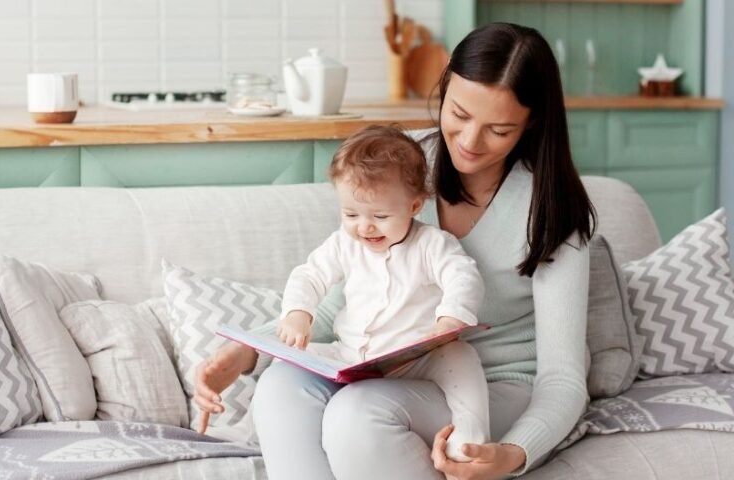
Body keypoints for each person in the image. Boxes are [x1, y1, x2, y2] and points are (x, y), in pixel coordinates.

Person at [193, 21, 596, 480]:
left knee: (357, 414)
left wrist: (514, 454)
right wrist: (250, 350)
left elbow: (564, 379)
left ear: (531, 123)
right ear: (443, 89)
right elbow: (345, 300)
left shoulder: (553, 211)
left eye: (499, 130)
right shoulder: (401, 163)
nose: (469, 141)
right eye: (459, 114)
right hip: (393, 370)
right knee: (281, 386)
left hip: (492, 388)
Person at [276, 124, 489, 462]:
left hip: (418, 360)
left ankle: (470, 437)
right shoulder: (345, 244)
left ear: (415, 205)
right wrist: (298, 313)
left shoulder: (431, 244)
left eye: (380, 215)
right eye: (351, 214)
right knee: (286, 366)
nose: (365, 226)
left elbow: (462, 275)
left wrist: (451, 318)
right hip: (353, 356)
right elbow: (309, 275)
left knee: (462, 359)